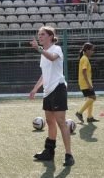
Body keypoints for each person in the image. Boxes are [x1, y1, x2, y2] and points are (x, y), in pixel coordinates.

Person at [29, 26, 74, 166]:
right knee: (50, 122)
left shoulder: (56, 49)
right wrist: (35, 88)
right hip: (47, 91)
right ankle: (49, 151)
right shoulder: (44, 53)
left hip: (58, 89)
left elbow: (53, 59)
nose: (40, 37)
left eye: (42, 34)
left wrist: (39, 49)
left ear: (50, 36)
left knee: (61, 122)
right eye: (39, 34)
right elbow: (44, 74)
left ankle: (69, 155)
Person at [75, 43, 99, 123]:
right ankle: (79, 113)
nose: (93, 52)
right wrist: (88, 84)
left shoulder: (84, 58)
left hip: (85, 82)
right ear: (87, 50)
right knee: (93, 98)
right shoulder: (84, 58)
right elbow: (84, 72)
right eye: (92, 50)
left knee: (90, 98)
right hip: (85, 83)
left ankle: (89, 117)